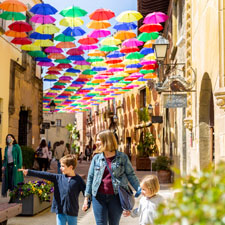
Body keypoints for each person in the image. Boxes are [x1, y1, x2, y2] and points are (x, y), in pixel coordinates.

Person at [82, 129, 140, 225]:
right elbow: (90, 178)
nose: (96, 142)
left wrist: (139, 188)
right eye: (96, 140)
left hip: (116, 197)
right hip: (98, 197)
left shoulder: (122, 157)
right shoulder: (97, 158)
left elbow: (130, 175)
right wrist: (87, 197)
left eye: (99, 140)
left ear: (107, 141)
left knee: (114, 223)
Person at [19, 154, 86, 225]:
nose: (60, 168)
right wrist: (29, 172)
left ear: (70, 167)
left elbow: (86, 192)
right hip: (60, 211)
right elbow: (44, 174)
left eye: (63, 166)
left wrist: (86, 203)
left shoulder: (78, 180)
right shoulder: (58, 178)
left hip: (72, 211)